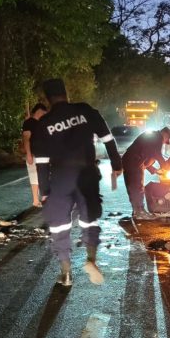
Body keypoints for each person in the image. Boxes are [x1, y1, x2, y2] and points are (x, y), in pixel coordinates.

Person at [32, 78, 122, 286]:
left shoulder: (43, 124)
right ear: (66, 93)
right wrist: (116, 163)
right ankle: (91, 260)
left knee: (60, 225)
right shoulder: (85, 110)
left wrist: (44, 191)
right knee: (89, 218)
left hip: (60, 179)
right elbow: (108, 139)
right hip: (86, 174)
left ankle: (66, 273)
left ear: (47, 99)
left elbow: (42, 163)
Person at [122, 126, 170, 219]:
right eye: (165, 140)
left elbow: (147, 157)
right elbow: (157, 154)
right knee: (138, 186)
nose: (163, 143)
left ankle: (136, 211)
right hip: (135, 162)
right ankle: (140, 211)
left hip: (129, 160)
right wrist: (165, 166)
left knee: (132, 187)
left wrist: (155, 170)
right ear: (165, 135)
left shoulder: (152, 137)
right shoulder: (158, 137)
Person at [21, 103, 47, 207]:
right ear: (39, 111)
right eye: (44, 113)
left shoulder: (40, 123)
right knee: (34, 177)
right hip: (33, 154)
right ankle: (36, 201)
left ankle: (43, 197)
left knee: (42, 176)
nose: (44, 115)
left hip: (42, 154)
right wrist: (28, 154)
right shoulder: (29, 122)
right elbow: (26, 138)